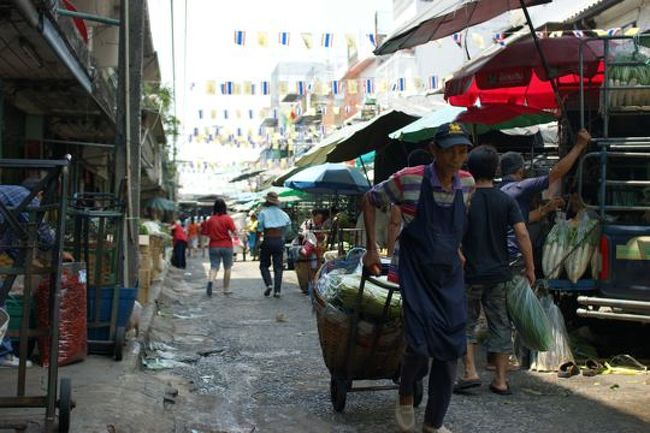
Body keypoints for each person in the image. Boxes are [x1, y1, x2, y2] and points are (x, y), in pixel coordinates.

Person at [363, 122, 475, 433]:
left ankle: (433, 424)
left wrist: (457, 249)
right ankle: (406, 390)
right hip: (415, 273)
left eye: (462, 151)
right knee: (420, 347)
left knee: (451, 351)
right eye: (450, 151)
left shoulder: (467, 183)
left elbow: (458, 224)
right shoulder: (408, 179)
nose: (456, 158)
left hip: (449, 276)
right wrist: (372, 250)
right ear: (433, 150)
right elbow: (370, 199)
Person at [455, 145, 535, 396]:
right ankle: (500, 380)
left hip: (469, 273)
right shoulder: (505, 200)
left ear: (469, 169)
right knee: (500, 324)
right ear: (497, 171)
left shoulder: (465, 200)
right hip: (499, 274)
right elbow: (522, 234)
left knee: (466, 322)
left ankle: (470, 372)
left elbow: (452, 232)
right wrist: (530, 267)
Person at [0, 179, 73, 368]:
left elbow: (11, 244)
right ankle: (4, 354)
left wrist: (33, 262)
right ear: (40, 193)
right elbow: (43, 232)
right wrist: (59, 252)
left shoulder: (12, 202)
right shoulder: (28, 198)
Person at [256, 191, 291, 298]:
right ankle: (277, 291)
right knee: (278, 267)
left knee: (263, 265)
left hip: (268, 239)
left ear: (267, 201)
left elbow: (259, 228)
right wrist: (282, 236)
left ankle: (269, 284)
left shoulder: (263, 213)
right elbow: (288, 228)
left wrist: (257, 241)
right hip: (279, 240)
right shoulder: (283, 213)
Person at [204, 198, 236, 295]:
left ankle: (210, 281)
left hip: (213, 246)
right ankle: (226, 289)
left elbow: (206, 233)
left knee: (214, 267)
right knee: (227, 268)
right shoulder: (228, 218)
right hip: (227, 245)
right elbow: (234, 231)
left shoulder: (210, 220)